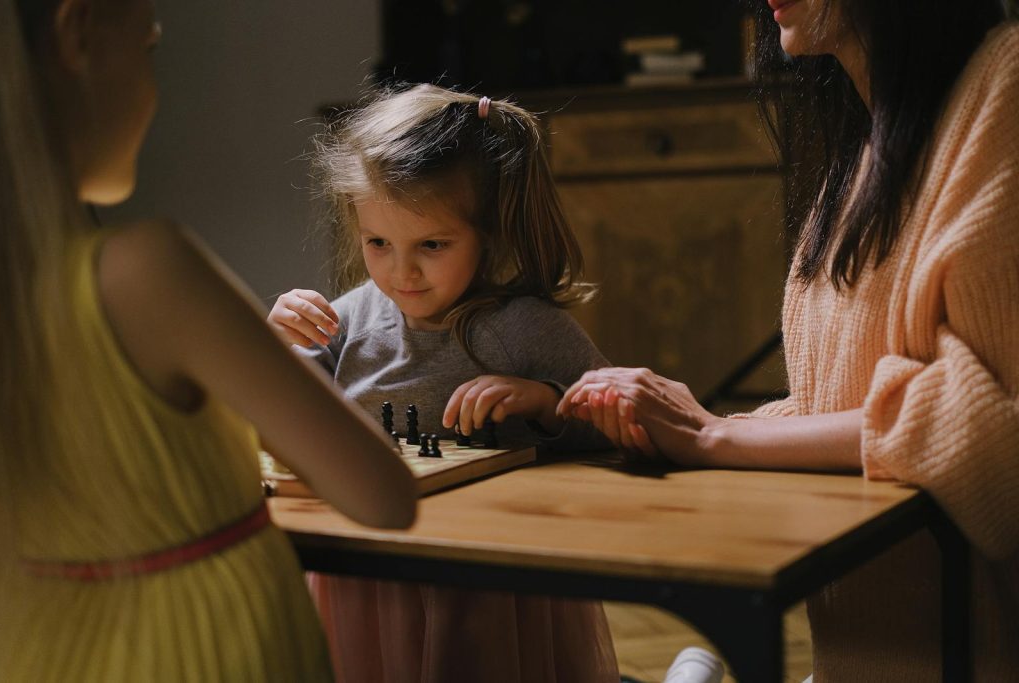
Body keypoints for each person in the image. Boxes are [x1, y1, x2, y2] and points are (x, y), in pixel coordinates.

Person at [560, 0, 1019, 680]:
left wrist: (715, 437)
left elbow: (993, 440)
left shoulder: (1002, 85)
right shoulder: (865, 147)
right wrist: (685, 425)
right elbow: (839, 412)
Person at [0, 0, 417, 679]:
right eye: (150, 48)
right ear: (78, 37)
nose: (155, 87)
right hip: (202, 650)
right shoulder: (147, 269)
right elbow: (384, 496)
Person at [267, 83, 619, 683]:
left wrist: (548, 404)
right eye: (378, 243)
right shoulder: (347, 318)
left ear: (491, 232)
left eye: (431, 244)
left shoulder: (526, 329)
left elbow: (621, 427)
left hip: (488, 584)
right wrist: (276, 349)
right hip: (364, 573)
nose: (401, 271)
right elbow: (290, 421)